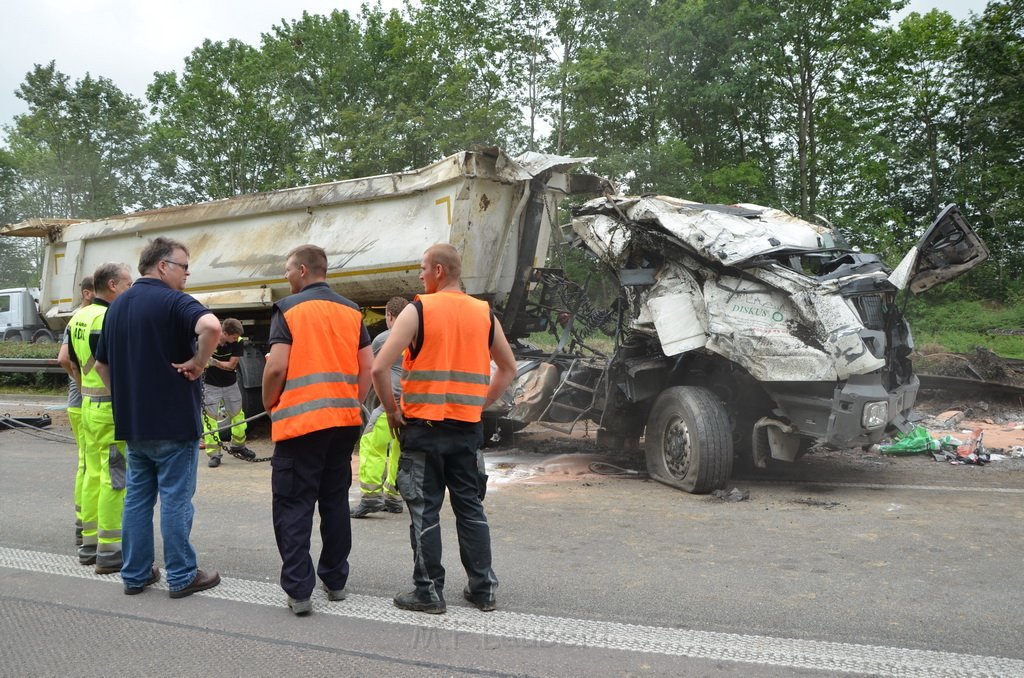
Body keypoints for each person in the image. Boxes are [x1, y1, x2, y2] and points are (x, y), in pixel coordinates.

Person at [371, 243, 517, 614]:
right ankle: (483, 590)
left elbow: (378, 368)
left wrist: (391, 411)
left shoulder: (418, 309)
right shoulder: (484, 313)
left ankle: (428, 592)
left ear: (438, 270)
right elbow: (508, 368)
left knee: (424, 511)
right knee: (471, 509)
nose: (419, 276)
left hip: (424, 429)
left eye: (422, 269)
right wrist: (479, 403)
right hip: (466, 430)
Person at [95, 237, 223, 598]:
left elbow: (101, 364)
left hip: (134, 422)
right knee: (176, 499)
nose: (187, 273)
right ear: (163, 266)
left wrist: (125, 395)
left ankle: (135, 574)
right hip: (174, 422)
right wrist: (199, 363)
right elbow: (212, 327)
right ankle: (182, 575)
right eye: (184, 266)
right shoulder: (174, 301)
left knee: (137, 498)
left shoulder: (117, 308)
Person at [261, 244, 373, 616]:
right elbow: (366, 368)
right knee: (334, 501)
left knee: (294, 505)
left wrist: (270, 404)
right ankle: (336, 581)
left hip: (301, 424)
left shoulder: (289, 309)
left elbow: (277, 367)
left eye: (289, 269)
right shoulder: (352, 311)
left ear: (304, 270)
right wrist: (350, 402)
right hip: (343, 424)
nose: (286, 276)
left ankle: (299, 590)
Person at [66, 264, 133, 574]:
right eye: (128, 283)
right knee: (115, 478)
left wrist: (84, 388)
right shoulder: (107, 318)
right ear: (112, 285)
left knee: (93, 472)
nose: (131, 289)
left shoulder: (79, 316)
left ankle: (89, 542)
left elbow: (68, 359)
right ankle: (110, 551)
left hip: (90, 406)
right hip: (109, 409)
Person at [352, 296, 409, 518]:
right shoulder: (418, 337)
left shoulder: (384, 339)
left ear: (389, 316)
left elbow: (371, 369)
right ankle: (393, 497)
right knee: (398, 450)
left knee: (370, 445)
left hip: (390, 406)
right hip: (411, 406)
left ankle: (370, 497)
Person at [58, 275, 94, 550]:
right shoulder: (91, 318)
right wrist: (83, 384)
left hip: (76, 403)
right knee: (98, 468)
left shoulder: (74, 320)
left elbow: (63, 358)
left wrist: (78, 383)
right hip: (90, 402)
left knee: (84, 464)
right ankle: (88, 528)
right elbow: (65, 360)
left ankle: (82, 524)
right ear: (87, 293)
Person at [201, 317, 255, 467]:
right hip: (211, 385)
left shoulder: (237, 342)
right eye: (233, 337)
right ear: (224, 333)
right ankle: (214, 454)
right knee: (211, 419)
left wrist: (213, 362)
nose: (236, 339)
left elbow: (231, 365)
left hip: (230, 384)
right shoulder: (208, 339)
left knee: (238, 415)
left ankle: (239, 446)